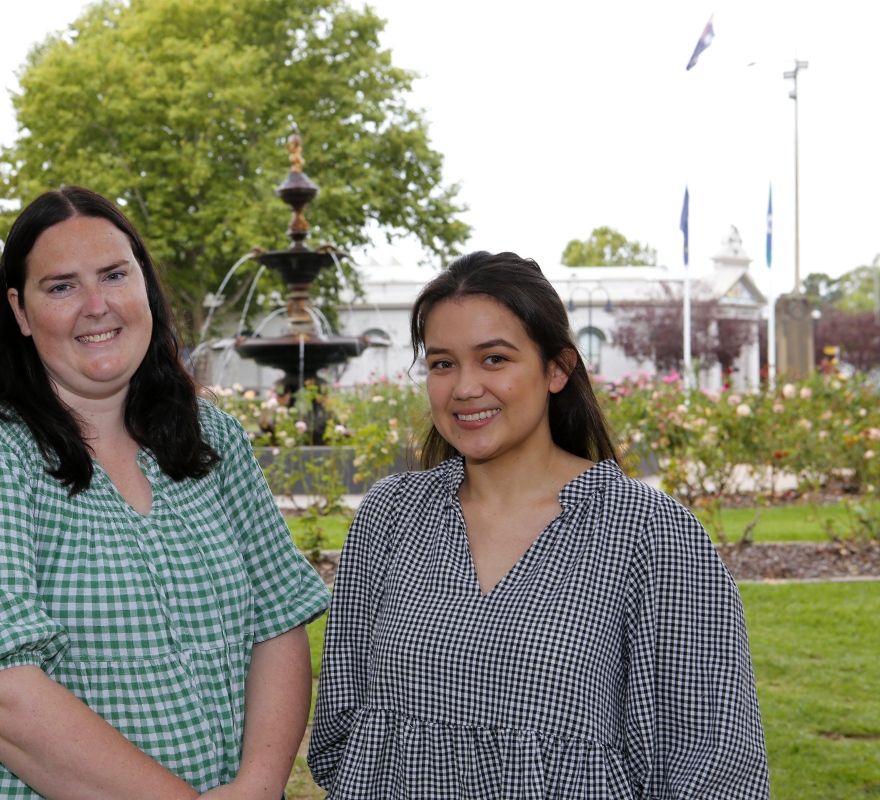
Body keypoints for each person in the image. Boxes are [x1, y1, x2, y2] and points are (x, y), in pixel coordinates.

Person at [0, 186, 330, 798]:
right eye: (61, 286)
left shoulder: (210, 438)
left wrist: (255, 786)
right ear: (19, 311)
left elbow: (278, 621)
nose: (97, 305)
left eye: (115, 275)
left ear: (143, 285)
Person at [308, 251, 769, 798]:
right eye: (441, 363)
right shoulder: (390, 517)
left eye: (495, 359)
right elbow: (342, 728)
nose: (464, 388)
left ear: (557, 369)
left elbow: (713, 763)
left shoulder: (650, 533)